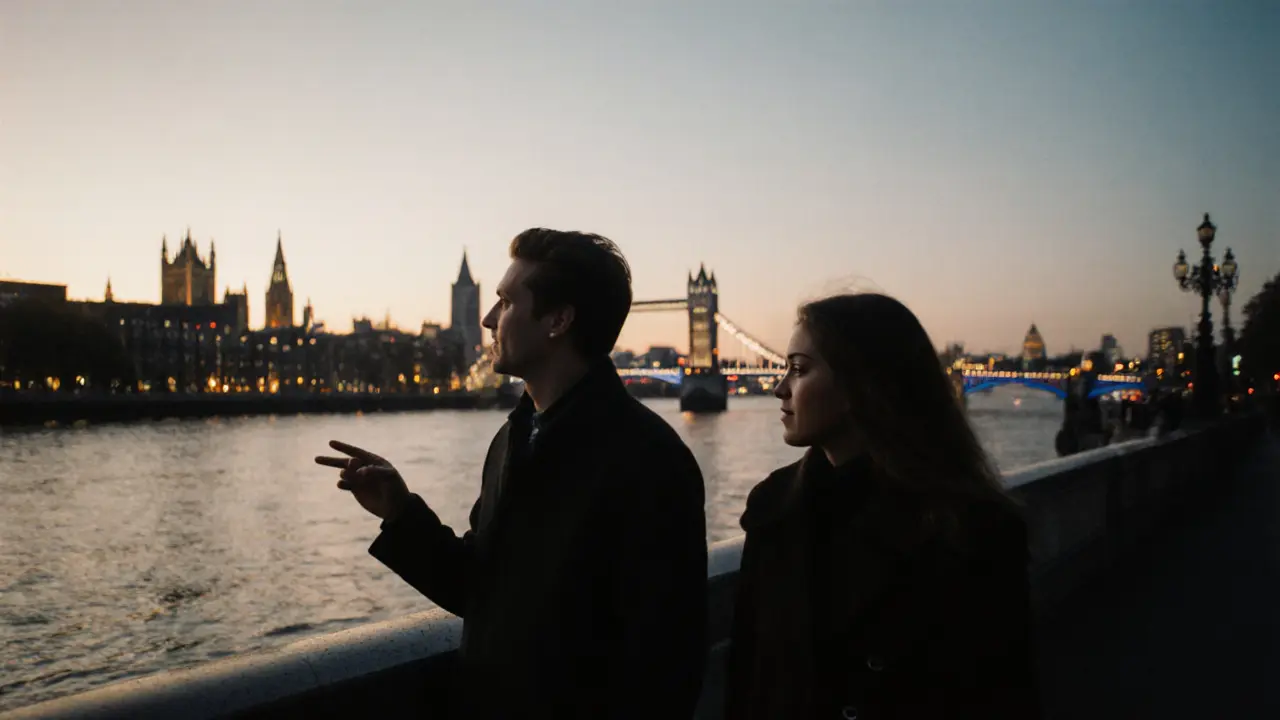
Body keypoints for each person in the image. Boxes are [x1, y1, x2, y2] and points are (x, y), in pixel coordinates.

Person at [316, 229, 708, 719]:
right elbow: (482, 593)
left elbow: (666, 663)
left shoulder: (649, 459)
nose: (487, 319)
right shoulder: (512, 439)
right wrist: (400, 513)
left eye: (504, 302)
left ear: (558, 320)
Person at [724, 293, 1040, 720]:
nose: (779, 387)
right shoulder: (770, 507)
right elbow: (747, 679)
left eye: (798, 369)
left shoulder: (976, 528)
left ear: (862, 385)